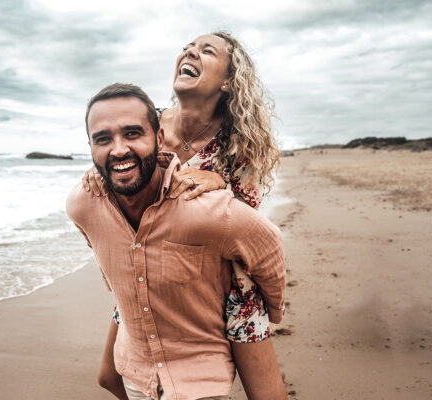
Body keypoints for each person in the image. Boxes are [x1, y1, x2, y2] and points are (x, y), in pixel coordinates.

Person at [82, 32, 283, 399]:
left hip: (221, 280)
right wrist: (96, 176)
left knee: (265, 394)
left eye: (207, 51)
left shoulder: (239, 144)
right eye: (188, 47)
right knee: (107, 376)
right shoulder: (151, 124)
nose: (190, 51)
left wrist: (220, 179)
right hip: (149, 264)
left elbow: (242, 220)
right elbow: (119, 164)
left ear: (228, 80)